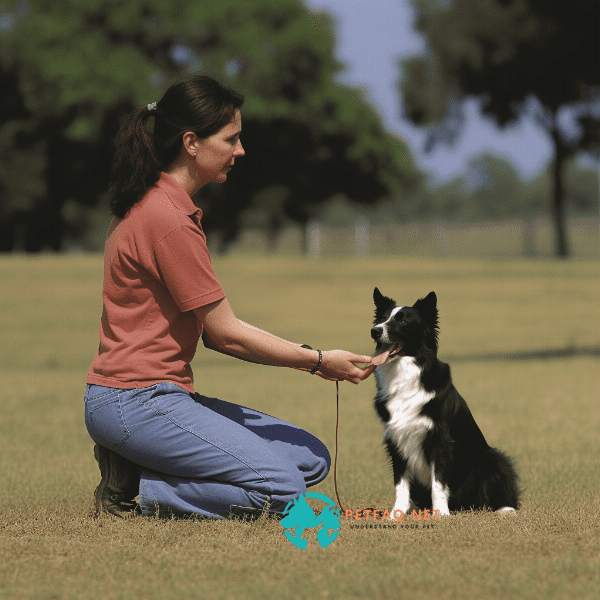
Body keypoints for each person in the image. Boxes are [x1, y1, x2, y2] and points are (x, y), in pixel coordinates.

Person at [84, 74, 375, 520]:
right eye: (231, 139)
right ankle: (141, 487)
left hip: (156, 398)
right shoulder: (167, 220)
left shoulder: (156, 203)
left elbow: (221, 330)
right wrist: (317, 361)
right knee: (286, 490)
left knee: (311, 457)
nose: (240, 151)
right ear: (191, 143)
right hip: (133, 401)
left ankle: (137, 463)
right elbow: (225, 335)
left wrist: (313, 356)